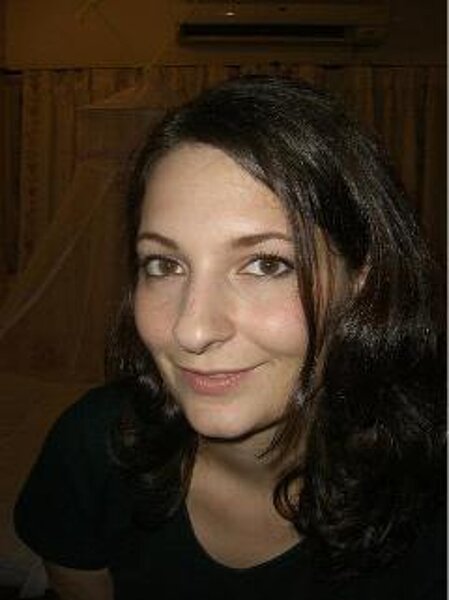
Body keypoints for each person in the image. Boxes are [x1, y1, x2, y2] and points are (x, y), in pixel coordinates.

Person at [14, 74, 445, 600]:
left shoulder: (433, 500)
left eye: (266, 264)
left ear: (361, 280)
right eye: (164, 264)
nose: (192, 330)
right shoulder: (92, 449)